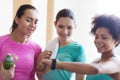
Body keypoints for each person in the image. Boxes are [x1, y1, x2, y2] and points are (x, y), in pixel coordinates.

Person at [41, 14, 120, 80]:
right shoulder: (97, 61)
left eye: (104, 37)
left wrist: (57, 64)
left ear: (116, 40)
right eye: (96, 37)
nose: (98, 41)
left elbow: (97, 69)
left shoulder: (116, 62)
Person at [36, 8, 86, 80]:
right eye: (61, 26)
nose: (65, 32)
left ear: (75, 26)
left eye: (69, 27)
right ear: (55, 24)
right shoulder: (50, 45)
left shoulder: (78, 49)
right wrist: (39, 62)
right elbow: (41, 74)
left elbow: (80, 79)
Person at [0, 4, 42, 80]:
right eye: (28, 20)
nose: (33, 25)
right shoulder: (1, 42)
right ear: (17, 19)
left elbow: (35, 76)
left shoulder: (37, 48)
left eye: (35, 22)